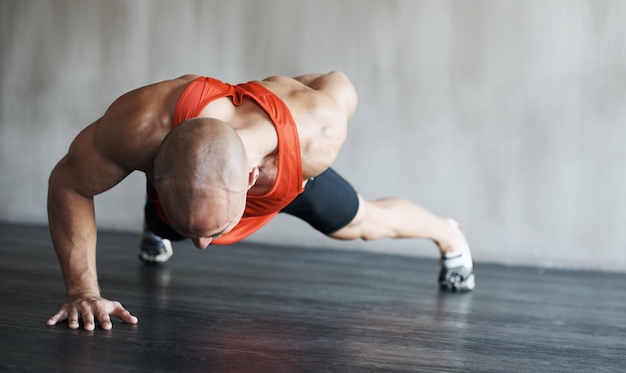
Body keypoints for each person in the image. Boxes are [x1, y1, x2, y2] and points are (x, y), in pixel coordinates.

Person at [46, 72, 475, 331]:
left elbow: (337, 84)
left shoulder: (317, 134)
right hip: (183, 184)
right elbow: (70, 182)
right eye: (199, 233)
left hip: (288, 179)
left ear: (251, 177)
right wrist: (83, 291)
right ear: (152, 169)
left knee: (363, 222)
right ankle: (164, 222)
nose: (204, 249)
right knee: (172, 223)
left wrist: (279, 90)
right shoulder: (139, 125)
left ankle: (447, 234)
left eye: (213, 232)